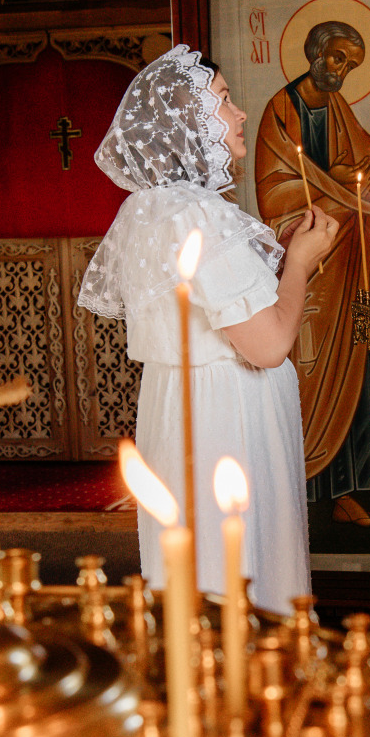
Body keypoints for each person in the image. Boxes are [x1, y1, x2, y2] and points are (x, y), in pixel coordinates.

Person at [79, 45, 337, 615]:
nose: (240, 113)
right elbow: (267, 344)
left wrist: (285, 257)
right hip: (227, 421)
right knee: (242, 578)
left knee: (199, 582)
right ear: (187, 120)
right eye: (222, 101)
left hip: (181, 408)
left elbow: (218, 309)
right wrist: (300, 264)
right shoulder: (196, 213)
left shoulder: (151, 209)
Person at [254, 21, 370, 529]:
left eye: (350, 65)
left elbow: (364, 160)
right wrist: (337, 188)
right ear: (316, 53)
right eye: (338, 59)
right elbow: (276, 192)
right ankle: (300, 494)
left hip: (346, 261)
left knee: (353, 367)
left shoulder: (337, 107)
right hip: (308, 265)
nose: (341, 71)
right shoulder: (282, 109)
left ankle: (348, 494)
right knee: (311, 373)